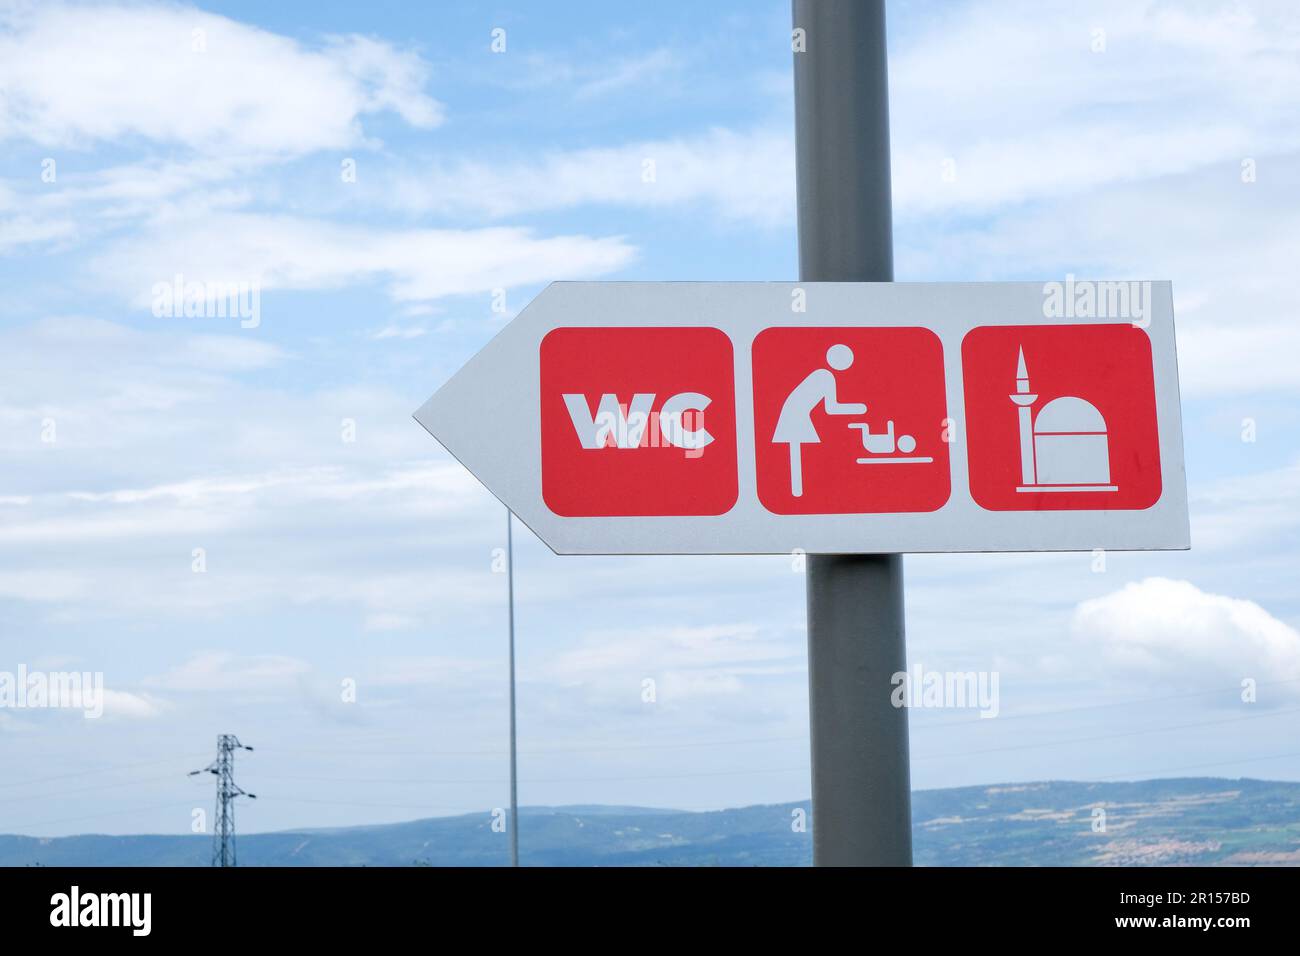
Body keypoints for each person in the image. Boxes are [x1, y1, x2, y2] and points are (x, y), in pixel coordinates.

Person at [773, 344, 866, 496]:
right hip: (795, 415)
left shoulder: (822, 374)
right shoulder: (826, 376)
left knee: (796, 450)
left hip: (796, 413)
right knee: (795, 449)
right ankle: (797, 491)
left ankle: (798, 491)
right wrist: (858, 408)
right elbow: (830, 408)